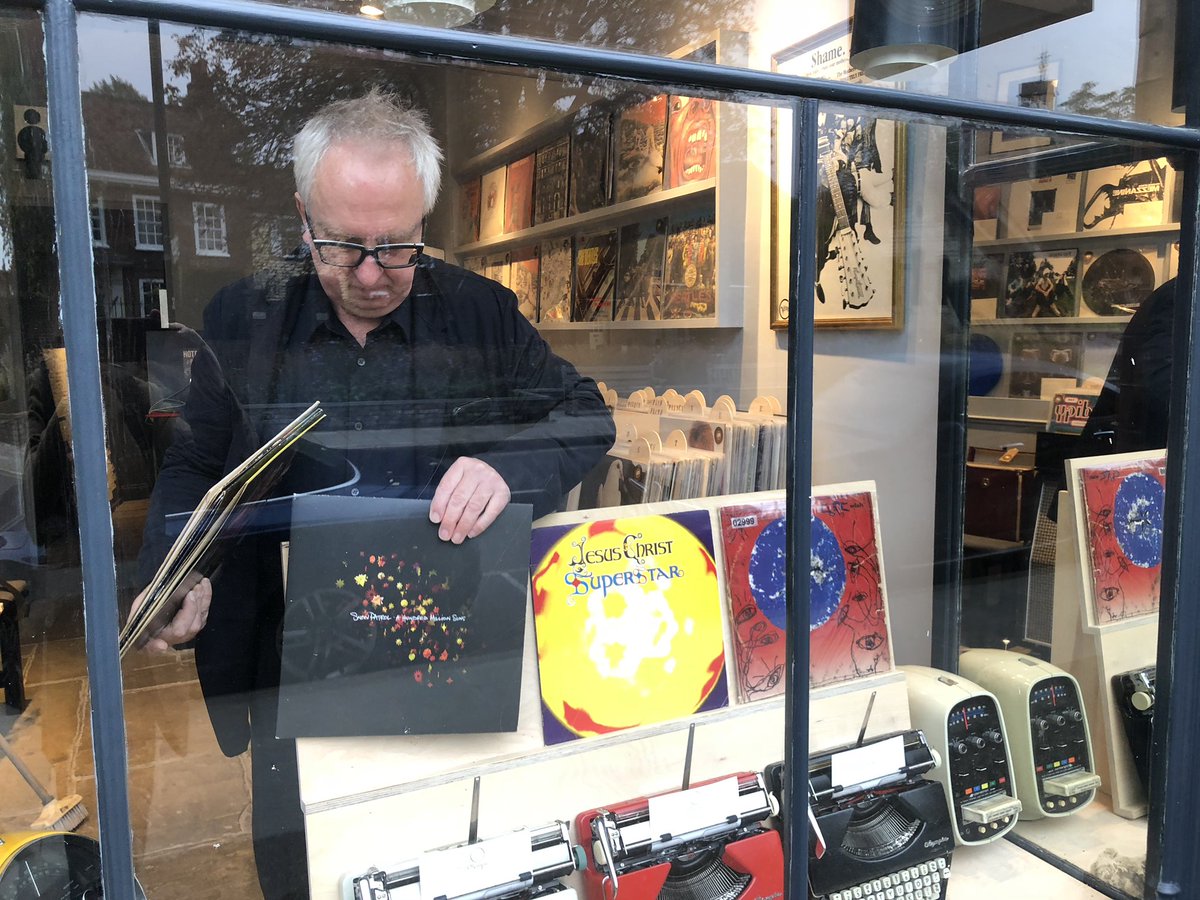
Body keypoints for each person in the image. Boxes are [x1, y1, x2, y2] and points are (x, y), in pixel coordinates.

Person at [135, 88, 615, 900]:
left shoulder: (480, 315)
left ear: (425, 217)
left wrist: (508, 468)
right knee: (301, 868)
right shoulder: (244, 317)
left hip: (450, 641)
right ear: (302, 216)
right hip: (289, 656)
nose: (368, 275)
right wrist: (172, 566)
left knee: (448, 860)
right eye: (341, 246)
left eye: (396, 247)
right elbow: (193, 462)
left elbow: (586, 414)